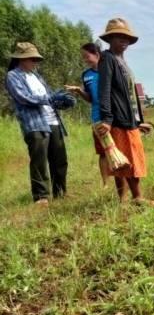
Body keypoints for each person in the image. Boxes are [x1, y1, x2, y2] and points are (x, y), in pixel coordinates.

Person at [5, 42, 75, 204]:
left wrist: (61, 102)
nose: (35, 63)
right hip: (35, 123)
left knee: (59, 159)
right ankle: (41, 196)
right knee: (39, 160)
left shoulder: (37, 76)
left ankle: (60, 192)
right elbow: (23, 97)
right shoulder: (13, 76)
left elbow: (50, 97)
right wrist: (49, 99)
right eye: (32, 59)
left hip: (54, 121)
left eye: (36, 59)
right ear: (22, 59)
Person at [96, 17, 150, 203]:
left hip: (129, 118)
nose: (123, 40)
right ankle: (137, 197)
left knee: (121, 158)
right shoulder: (107, 59)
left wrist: (138, 120)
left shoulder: (122, 61)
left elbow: (130, 95)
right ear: (109, 39)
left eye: (126, 37)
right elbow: (105, 90)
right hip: (118, 118)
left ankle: (124, 199)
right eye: (118, 36)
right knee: (127, 158)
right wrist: (107, 119)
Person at [65, 42, 110, 186]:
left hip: (113, 117)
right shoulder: (86, 75)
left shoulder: (108, 69)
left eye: (87, 56)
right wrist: (79, 91)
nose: (85, 60)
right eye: (83, 58)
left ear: (96, 54)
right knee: (103, 152)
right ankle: (105, 183)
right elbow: (90, 98)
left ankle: (121, 182)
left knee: (118, 149)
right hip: (97, 118)